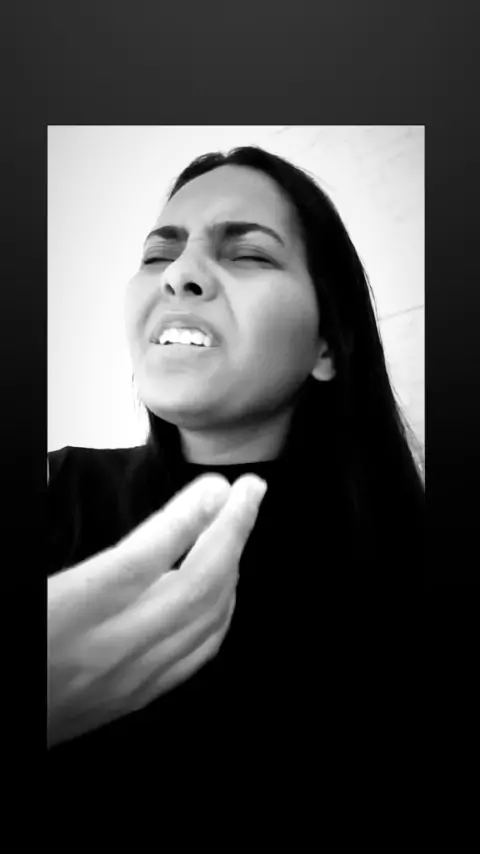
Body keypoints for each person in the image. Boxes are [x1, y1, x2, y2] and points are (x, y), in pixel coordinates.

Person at [48, 145, 425, 771]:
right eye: (158, 255)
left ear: (327, 346)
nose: (179, 275)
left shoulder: (406, 555)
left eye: (248, 254)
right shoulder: (54, 489)